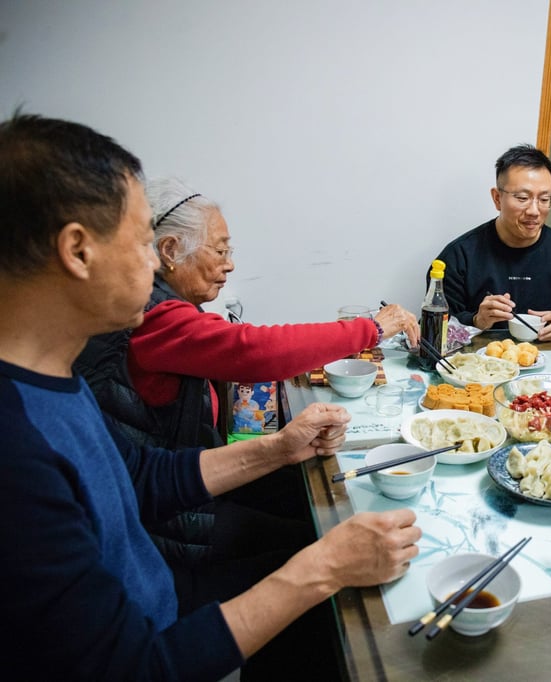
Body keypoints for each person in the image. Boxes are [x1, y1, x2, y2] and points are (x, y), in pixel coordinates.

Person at [0, 113, 421, 680]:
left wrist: (278, 448)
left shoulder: (55, 375)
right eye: (144, 241)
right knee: (352, 606)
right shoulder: (17, 451)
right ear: (78, 251)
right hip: (161, 620)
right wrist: (321, 569)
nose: (155, 261)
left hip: (160, 586)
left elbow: (139, 479)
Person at [76, 176, 421, 451]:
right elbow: (250, 350)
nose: (230, 264)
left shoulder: (162, 303)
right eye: (221, 250)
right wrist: (372, 328)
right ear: (169, 250)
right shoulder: (151, 315)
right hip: (174, 515)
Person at [433, 144, 551, 341]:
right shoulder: (459, 256)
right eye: (522, 198)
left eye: (545, 199)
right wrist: (477, 320)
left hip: (550, 368)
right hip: (477, 367)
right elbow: (434, 327)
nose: (534, 211)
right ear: (497, 198)